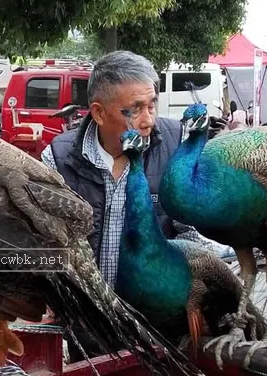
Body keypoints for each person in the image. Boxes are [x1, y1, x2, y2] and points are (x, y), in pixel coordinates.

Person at [40, 50, 184, 289]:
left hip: (157, 316)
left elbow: (194, 238)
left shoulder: (175, 147)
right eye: (135, 109)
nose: (148, 120)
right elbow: (46, 243)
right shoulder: (58, 159)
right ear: (99, 113)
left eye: (151, 106)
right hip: (85, 312)